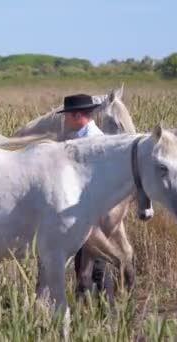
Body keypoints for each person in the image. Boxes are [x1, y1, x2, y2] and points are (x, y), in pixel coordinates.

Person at [59, 93, 112, 298]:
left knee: (95, 264)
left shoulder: (94, 141)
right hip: (83, 210)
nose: (65, 120)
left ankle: (105, 308)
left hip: (94, 211)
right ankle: (92, 307)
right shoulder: (81, 137)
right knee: (85, 262)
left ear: (77, 115)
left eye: (67, 116)